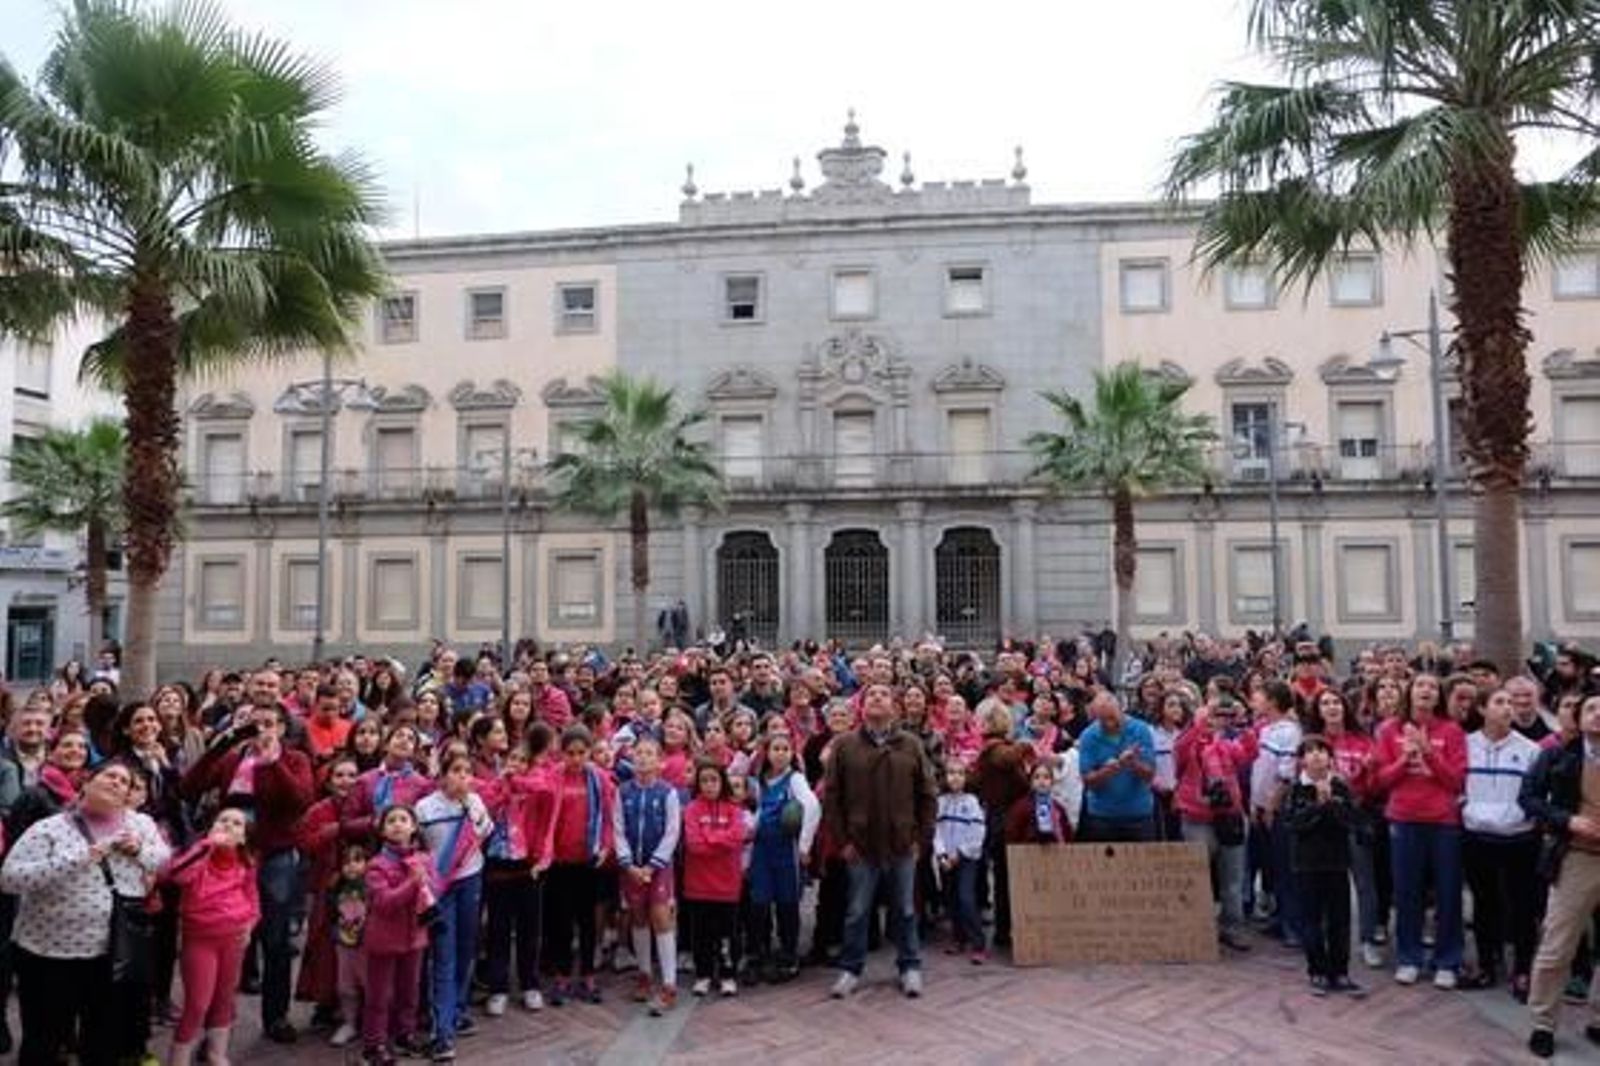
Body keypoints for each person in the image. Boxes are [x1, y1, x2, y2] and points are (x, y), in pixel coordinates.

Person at [0, 759, 170, 1066]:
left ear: (129, 795)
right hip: (48, 954)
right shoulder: (49, 828)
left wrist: (139, 851)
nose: (117, 782)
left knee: (103, 1041)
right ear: (86, 782)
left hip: (113, 953)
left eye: (125, 782)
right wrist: (81, 856)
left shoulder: (141, 825)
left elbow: (163, 860)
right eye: (110, 775)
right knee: (44, 1040)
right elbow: (10, 878)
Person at [180, 699, 314, 1043]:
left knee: (276, 938)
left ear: (282, 728)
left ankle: (276, 1016)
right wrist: (220, 745)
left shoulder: (294, 759)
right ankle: (216, 1029)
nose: (262, 730)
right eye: (255, 724)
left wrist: (274, 763)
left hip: (274, 855)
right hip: (231, 858)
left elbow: (301, 801)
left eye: (269, 723)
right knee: (228, 941)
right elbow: (189, 788)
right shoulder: (233, 758)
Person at [823, 681, 938, 1000]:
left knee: (905, 909)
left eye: (884, 694)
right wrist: (844, 840)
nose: (877, 698)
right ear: (861, 706)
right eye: (871, 694)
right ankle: (851, 968)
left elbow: (927, 794)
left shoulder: (911, 744)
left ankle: (909, 965)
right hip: (860, 845)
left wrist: (921, 838)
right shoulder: (845, 745)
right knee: (857, 910)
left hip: (902, 842)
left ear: (894, 706)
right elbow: (832, 797)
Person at [1374, 673, 1467, 989]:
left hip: (1443, 822)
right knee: (1406, 891)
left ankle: (1448, 960)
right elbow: (1382, 780)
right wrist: (1405, 759)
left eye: (1432, 687)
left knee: (1448, 892)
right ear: (1409, 693)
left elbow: (1456, 781)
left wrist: (1429, 752)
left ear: (1439, 696)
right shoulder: (1389, 730)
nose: (1426, 690)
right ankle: (1409, 958)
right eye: (1420, 685)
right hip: (1404, 819)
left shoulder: (1451, 731)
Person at [1523, 692, 1600, 1058]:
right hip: (1577, 858)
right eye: (1592, 708)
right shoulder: (1557, 756)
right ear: (1578, 717)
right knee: (1557, 946)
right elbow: (1529, 798)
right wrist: (1566, 820)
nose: (1599, 715)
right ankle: (1543, 1023)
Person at [1461, 687, 1542, 997]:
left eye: (1511, 702)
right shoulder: (1466, 745)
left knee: (1522, 907)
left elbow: (1537, 793)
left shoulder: (1531, 750)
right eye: (1500, 702)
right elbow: (1456, 784)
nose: (1509, 707)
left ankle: (1522, 971)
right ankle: (1486, 965)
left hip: (1519, 839)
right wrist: (1465, 807)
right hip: (1478, 837)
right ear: (1482, 709)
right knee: (1484, 905)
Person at [165, 807, 260, 1066]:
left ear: (244, 837)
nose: (228, 825)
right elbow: (177, 875)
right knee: (197, 1004)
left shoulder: (246, 862)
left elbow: (253, 899)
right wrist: (206, 846)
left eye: (237, 823)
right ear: (210, 828)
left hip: (234, 939)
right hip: (200, 940)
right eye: (223, 820)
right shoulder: (200, 857)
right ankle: (179, 1059)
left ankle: (216, 1053)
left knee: (225, 999)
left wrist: (250, 925)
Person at [415, 753, 493, 1061]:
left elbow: (484, 835)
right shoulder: (425, 807)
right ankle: (442, 1033)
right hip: (440, 890)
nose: (463, 777)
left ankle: (457, 1010)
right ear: (442, 775)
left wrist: (469, 812)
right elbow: (418, 848)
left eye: (467, 771)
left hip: (470, 881)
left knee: (465, 949)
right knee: (443, 957)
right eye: (456, 770)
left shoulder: (475, 803)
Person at [480, 723, 557, 1017]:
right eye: (512, 759)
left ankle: (530, 985)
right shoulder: (495, 785)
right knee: (498, 930)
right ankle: (497, 988)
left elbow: (544, 790)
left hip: (528, 866)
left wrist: (518, 781)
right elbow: (485, 805)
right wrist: (504, 786)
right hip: (498, 866)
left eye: (523, 760)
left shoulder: (537, 785)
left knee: (529, 930)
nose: (516, 764)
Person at [1283, 736, 1365, 998]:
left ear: (1330, 758)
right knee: (1311, 919)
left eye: (1322, 751)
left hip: (1337, 862)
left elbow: (1352, 821)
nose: (1317, 755)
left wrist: (1332, 804)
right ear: (1301, 760)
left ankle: (1340, 971)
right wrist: (1317, 806)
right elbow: (1293, 823)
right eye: (1310, 752)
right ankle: (1316, 969)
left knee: (1340, 919)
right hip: (1307, 864)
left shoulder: (1340, 787)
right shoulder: (1296, 789)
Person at [1175, 696, 1257, 952]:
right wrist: (1200, 724)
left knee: (1232, 878)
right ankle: (1195, 928)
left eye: (1220, 716)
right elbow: (1181, 752)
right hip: (1196, 816)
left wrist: (1243, 723)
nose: (1216, 721)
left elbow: (1250, 753)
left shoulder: (1226, 744)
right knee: (1196, 876)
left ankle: (1231, 927)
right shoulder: (1188, 743)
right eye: (1211, 716)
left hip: (1229, 815)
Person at [612, 736, 682, 1016]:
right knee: (638, 917)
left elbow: (672, 832)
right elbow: (618, 829)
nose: (642, 757)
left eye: (649, 753)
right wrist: (628, 864)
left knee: (661, 917)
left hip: (659, 867)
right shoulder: (623, 791)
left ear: (659, 761)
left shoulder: (668, 793)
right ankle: (644, 974)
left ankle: (669, 984)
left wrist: (653, 865)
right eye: (638, 752)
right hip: (632, 866)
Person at [544, 725, 614, 1006]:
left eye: (581, 753)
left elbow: (609, 817)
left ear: (589, 752)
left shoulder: (600, 779)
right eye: (570, 753)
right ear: (562, 753)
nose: (576, 758)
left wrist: (605, 846)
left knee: (588, 921)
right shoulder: (553, 777)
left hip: (589, 860)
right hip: (559, 862)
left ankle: (587, 975)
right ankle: (562, 976)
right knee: (561, 921)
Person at [746, 732, 820, 983]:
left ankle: (789, 956)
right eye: (775, 748)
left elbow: (812, 807)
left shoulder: (795, 779)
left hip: (786, 851)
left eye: (785, 749)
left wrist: (804, 846)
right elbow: (760, 810)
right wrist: (750, 830)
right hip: (762, 851)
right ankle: (758, 955)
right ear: (767, 753)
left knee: (787, 905)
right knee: (758, 904)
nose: (780, 753)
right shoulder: (762, 779)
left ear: (792, 754)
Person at [362, 805, 432, 1066]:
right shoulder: (376, 866)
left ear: (414, 827)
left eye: (404, 819)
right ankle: (374, 1044)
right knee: (379, 996)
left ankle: (405, 1034)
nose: (398, 824)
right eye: (391, 821)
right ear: (382, 831)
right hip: (384, 940)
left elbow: (432, 893)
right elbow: (384, 903)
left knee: (409, 991)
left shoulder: (424, 859)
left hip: (414, 937)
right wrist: (413, 882)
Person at [681, 759, 747, 998]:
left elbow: (737, 838)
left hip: (727, 886)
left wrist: (709, 836)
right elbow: (694, 845)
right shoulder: (691, 809)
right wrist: (720, 840)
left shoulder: (734, 809)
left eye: (714, 780)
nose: (709, 785)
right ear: (698, 784)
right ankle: (703, 975)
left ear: (723, 782)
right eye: (704, 780)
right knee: (701, 935)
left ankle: (728, 975)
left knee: (727, 935)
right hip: (698, 886)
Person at [1076, 690, 1158, 842]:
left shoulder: (1141, 730)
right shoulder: (1088, 736)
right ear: (1095, 718)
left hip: (1139, 814)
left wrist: (1133, 763)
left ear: (1121, 710)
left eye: (1113, 717)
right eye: (1103, 719)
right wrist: (1108, 770)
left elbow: (1150, 775)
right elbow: (1087, 781)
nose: (1110, 723)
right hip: (1101, 816)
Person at [932, 761, 986, 963]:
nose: (955, 777)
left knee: (966, 899)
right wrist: (941, 854)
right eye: (951, 773)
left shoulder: (972, 802)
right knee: (951, 899)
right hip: (946, 860)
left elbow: (977, 831)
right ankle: (958, 938)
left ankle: (978, 943)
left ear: (966, 777)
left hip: (966, 859)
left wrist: (960, 853)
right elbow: (936, 831)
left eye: (960, 773)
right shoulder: (940, 802)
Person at [1003, 760, 1073, 844]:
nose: (1041, 781)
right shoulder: (1021, 807)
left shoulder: (1058, 808)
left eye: (1046, 777)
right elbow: (1012, 836)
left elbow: (1067, 835)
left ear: (1052, 782)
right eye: (1037, 777)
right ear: (1031, 782)